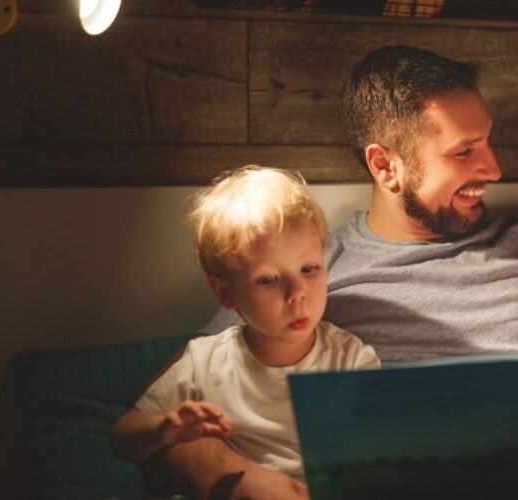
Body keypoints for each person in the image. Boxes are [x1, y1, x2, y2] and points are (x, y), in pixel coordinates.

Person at [147, 46, 518, 498]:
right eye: (464, 152)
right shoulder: (309, 273)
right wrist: (234, 477)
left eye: (487, 142)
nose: (492, 168)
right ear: (387, 166)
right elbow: (180, 395)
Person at [111, 167, 379, 490]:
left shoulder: (351, 359)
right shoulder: (205, 363)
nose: (297, 293)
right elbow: (121, 438)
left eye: (309, 269)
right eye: (269, 280)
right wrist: (163, 429)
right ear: (226, 293)